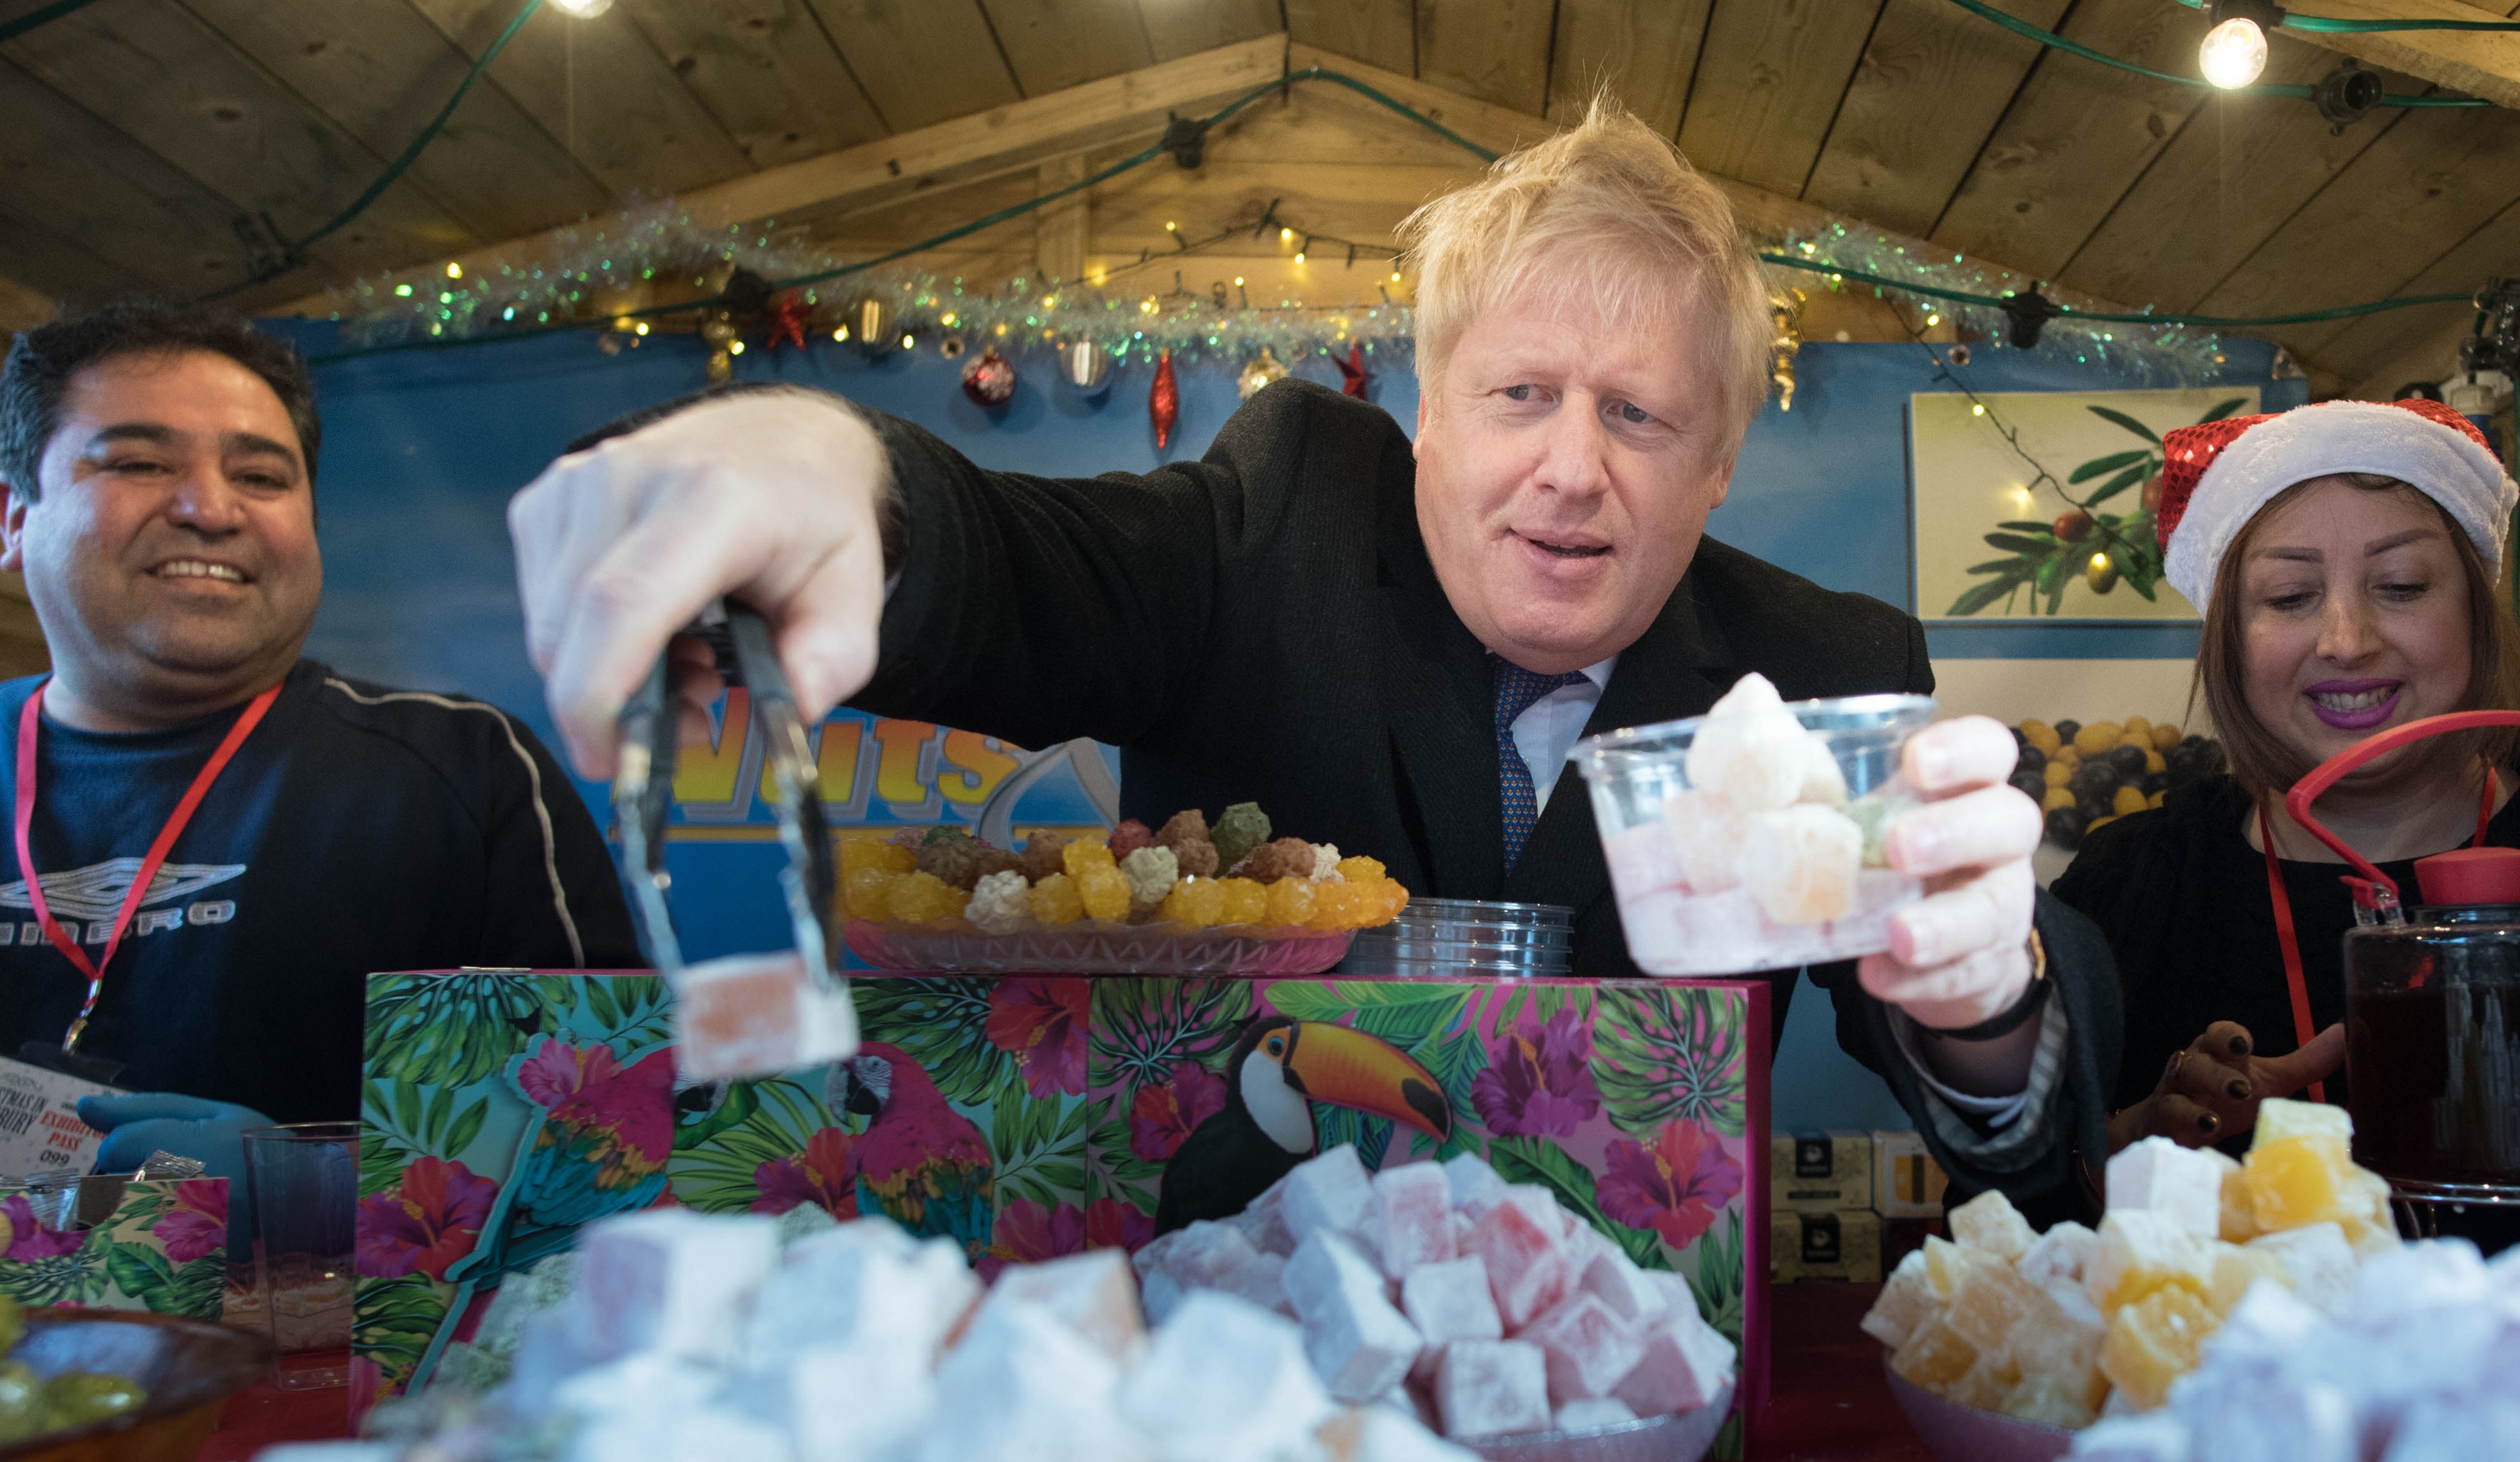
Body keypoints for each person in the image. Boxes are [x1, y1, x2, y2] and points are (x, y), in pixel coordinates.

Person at [507, 103, 2118, 1202]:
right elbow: (1024, 569)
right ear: (1423, 418)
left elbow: (2027, 1147)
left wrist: (1984, 1005)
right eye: (1517, 395)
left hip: (1649, 1376)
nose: (1570, 468)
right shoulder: (1277, 520)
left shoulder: (1817, 662)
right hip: (1232, 1388)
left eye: (1638, 416)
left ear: (1715, 468)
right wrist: (837, 475)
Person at [0, 302, 640, 1191]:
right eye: (141, 463)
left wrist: (328, 1187)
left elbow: (599, 1140)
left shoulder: (459, 770)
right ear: (13, 519)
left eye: (262, 477)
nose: (211, 509)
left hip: (340, 1325)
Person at [2055, 398, 2519, 1182]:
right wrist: (2122, 1150)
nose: (2347, 640)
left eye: (2402, 584)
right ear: (2228, 641)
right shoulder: (2126, 889)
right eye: (2290, 596)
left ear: (2478, 610)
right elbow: (1998, 1215)